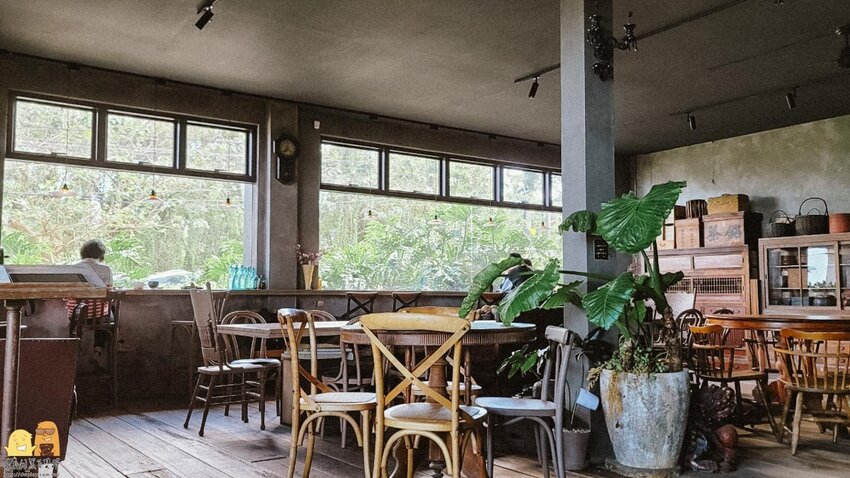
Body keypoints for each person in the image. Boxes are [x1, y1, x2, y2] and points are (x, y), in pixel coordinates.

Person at [65, 239, 114, 371]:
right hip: (99, 317)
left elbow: (67, 294)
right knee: (109, 314)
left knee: (105, 312)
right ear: (101, 254)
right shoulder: (106, 269)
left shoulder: (72, 268)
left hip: (77, 317)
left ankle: (74, 358)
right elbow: (109, 293)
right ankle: (99, 351)